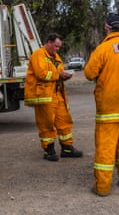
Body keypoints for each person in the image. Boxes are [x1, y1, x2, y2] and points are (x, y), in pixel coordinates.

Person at [84, 13, 119, 197]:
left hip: (108, 107)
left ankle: (102, 187)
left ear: (107, 27)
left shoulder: (104, 48)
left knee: (106, 148)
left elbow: (89, 73)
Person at [24, 33, 83, 161]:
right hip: (44, 96)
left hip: (58, 94)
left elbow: (58, 72)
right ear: (49, 43)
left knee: (64, 121)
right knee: (47, 124)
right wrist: (59, 75)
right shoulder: (38, 55)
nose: (58, 49)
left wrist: (65, 76)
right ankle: (49, 150)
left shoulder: (56, 56)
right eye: (56, 46)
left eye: (59, 47)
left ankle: (67, 148)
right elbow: (41, 74)